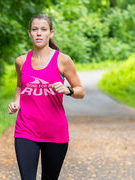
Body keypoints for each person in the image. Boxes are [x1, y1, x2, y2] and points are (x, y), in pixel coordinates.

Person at [8, 14, 85, 180]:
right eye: (35, 29)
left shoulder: (63, 60)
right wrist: (16, 102)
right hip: (25, 130)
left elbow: (80, 91)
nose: (39, 33)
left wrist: (67, 90)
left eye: (43, 30)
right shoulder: (21, 61)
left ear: (51, 33)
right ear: (29, 33)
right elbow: (20, 86)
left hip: (55, 132)